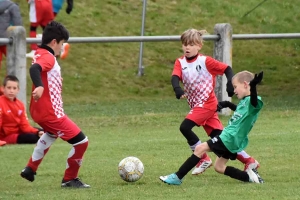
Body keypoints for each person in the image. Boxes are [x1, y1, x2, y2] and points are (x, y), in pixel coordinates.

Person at [171, 28, 259, 175]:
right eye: (185, 44)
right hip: (198, 106)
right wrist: (177, 89)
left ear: (199, 46)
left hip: (206, 103)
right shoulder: (180, 62)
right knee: (221, 138)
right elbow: (175, 77)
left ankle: (203, 158)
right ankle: (249, 160)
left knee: (185, 127)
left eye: (191, 44)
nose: (187, 47)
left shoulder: (205, 61)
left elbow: (227, 69)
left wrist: (229, 84)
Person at [160, 71, 264, 185]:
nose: (234, 91)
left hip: (229, 137)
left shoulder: (254, 102)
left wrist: (253, 86)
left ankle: (177, 177)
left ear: (245, 84)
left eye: (235, 87)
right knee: (219, 167)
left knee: (200, 149)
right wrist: (226, 104)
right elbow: (240, 111)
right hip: (234, 140)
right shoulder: (245, 101)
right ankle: (249, 177)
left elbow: (254, 101)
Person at [20, 21, 90, 188]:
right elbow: (35, 69)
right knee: (81, 142)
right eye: (62, 44)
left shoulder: (39, 52)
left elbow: (43, 72)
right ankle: (69, 179)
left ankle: (30, 168)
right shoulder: (48, 57)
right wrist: (40, 86)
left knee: (50, 134)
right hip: (51, 113)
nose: (62, 48)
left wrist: (52, 81)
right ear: (54, 42)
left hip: (38, 110)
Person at [0, 75, 44, 144]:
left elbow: (24, 125)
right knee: (32, 138)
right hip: (7, 136)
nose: (11, 91)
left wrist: (37, 132)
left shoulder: (20, 104)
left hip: (19, 131)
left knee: (44, 131)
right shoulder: (1, 102)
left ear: (18, 90)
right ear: (3, 89)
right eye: (9, 88)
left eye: (14, 88)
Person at [0, 0, 22, 69]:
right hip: (8, 39)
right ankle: (9, 79)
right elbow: (18, 24)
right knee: (14, 62)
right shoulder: (13, 6)